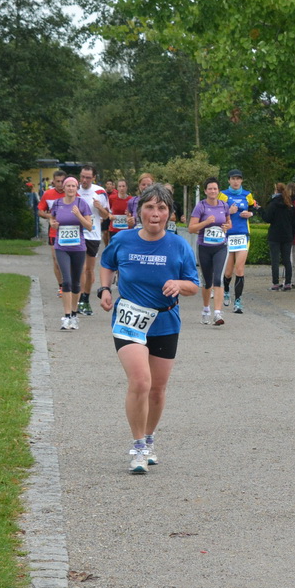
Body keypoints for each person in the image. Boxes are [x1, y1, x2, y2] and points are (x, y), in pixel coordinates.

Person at [95, 184, 199, 473]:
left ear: (170, 214)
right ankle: (138, 446)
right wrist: (104, 288)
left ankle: (150, 439)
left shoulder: (179, 246)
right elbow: (107, 262)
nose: (155, 213)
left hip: (165, 321)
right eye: (150, 207)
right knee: (141, 381)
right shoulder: (124, 240)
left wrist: (179, 284)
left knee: (157, 389)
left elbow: (193, 285)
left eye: (162, 208)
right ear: (139, 211)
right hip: (129, 319)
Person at [50, 176, 96, 330]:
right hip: (61, 247)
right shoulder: (58, 203)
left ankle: (75, 314)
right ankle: (67, 316)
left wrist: (78, 215)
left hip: (78, 248)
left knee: (76, 283)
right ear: (64, 188)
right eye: (68, 186)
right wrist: (53, 224)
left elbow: (89, 226)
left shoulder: (81, 204)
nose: (70, 188)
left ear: (77, 188)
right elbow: (52, 219)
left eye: (73, 186)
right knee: (67, 281)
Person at [188, 180, 233, 324]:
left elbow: (229, 223)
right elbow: (191, 228)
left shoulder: (224, 205)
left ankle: (218, 313)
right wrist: (206, 222)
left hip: (221, 246)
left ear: (218, 190)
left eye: (215, 189)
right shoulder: (200, 206)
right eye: (210, 189)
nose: (213, 191)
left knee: (218, 279)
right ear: (205, 191)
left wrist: (227, 226)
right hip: (204, 247)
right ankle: (206, 309)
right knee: (207, 282)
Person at [77, 165, 112, 315]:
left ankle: (85, 298)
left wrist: (99, 208)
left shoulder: (100, 192)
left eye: (88, 178)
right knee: (80, 268)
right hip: (77, 234)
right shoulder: (74, 190)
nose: (84, 180)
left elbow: (106, 216)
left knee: (88, 269)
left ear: (94, 178)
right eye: (82, 177)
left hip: (93, 234)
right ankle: (77, 299)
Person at [222, 169, 257, 311]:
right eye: (233, 179)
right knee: (228, 271)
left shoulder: (247, 195)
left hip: (243, 235)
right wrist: (227, 212)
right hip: (229, 235)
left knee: (240, 269)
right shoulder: (223, 195)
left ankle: (238, 302)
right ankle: (225, 291)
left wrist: (250, 213)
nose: (236, 182)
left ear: (241, 180)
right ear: (229, 180)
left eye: (238, 179)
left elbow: (254, 207)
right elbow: (217, 213)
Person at [265, 182, 295, 289]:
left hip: (274, 235)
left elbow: (267, 218)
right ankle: (288, 282)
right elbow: (294, 222)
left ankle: (275, 283)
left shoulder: (273, 204)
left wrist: (259, 210)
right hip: (287, 235)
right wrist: (292, 234)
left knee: (275, 260)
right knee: (287, 260)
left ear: (276, 191)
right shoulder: (289, 204)